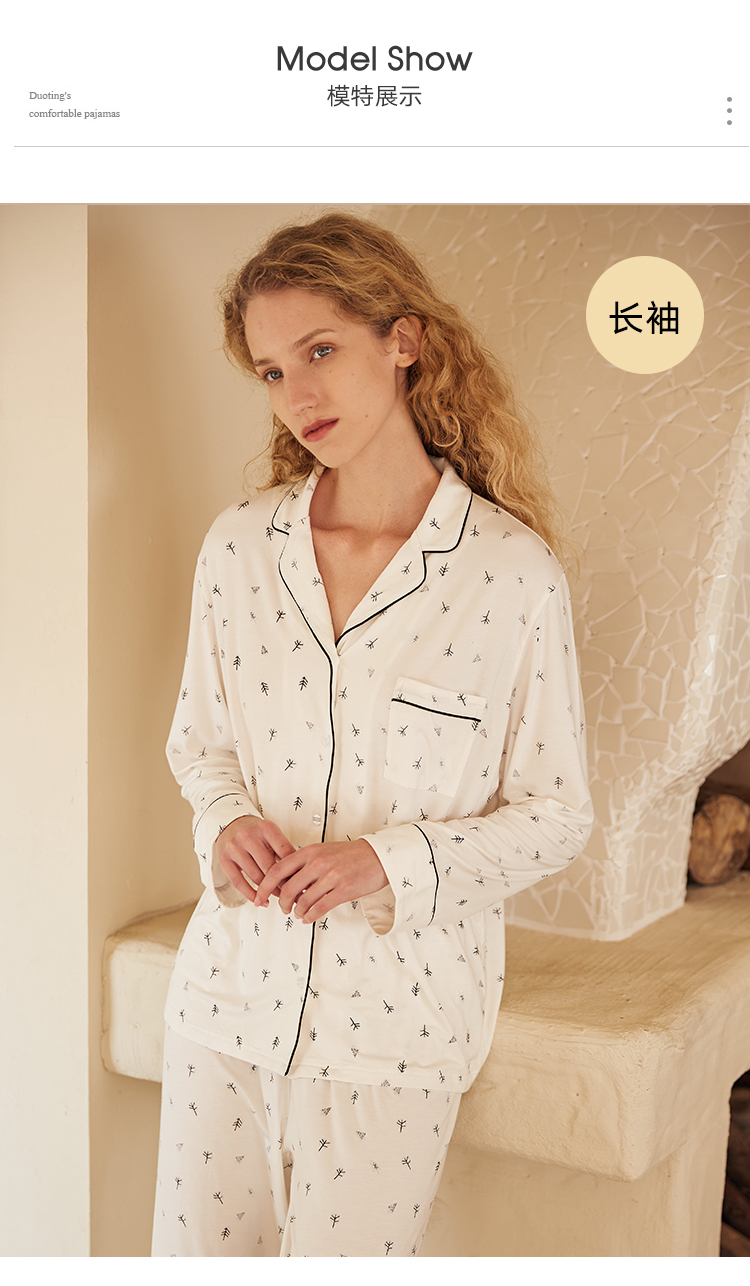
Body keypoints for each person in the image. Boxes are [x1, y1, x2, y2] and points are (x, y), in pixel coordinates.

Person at [151, 211, 593, 1257]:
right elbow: (201, 745)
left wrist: (384, 862)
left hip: (395, 1033)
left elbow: (557, 814)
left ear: (404, 340)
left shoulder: (510, 575)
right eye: (271, 371)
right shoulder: (238, 549)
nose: (297, 396)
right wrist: (224, 822)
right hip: (224, 1002)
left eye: (320, 351)